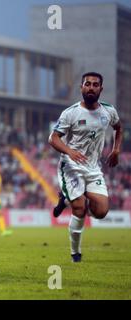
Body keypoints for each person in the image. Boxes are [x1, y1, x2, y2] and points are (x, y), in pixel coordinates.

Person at [49, 72, 122, 262]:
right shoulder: (71, 113)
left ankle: (66, 200)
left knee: (101, 211)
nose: (91, 87)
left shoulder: (108, 111)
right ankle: (76, 254)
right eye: (87, 84)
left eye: (95, 84)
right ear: (81, 87)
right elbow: (53, 138)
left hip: (93, 168)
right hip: (71, 166)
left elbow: (118, 128)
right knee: (80, 208)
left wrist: (116, 150)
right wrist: (69, 151)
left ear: (101, 89)